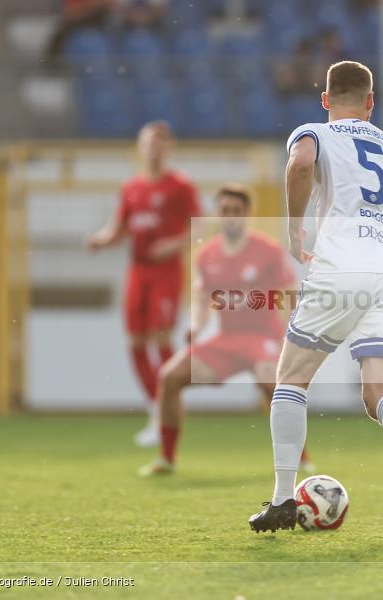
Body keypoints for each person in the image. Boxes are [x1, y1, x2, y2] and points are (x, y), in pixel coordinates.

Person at [247, 61, 383, 533]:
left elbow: (299, 165)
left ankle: (280, 500)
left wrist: (294, 229)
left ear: (326, 98)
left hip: (339, 268)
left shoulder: (312, 130)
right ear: (372, 102)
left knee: (291, 379)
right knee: (380, 392)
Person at [137, 185, 315, 476]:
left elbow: (288, 291)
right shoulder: (207, 256)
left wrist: (289, 333)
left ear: (247, 214)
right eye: (225, 211)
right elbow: (202, 299)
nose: (231, 217)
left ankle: (301, 457)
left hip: (263, 338)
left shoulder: (267, 250)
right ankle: (166, 458)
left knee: (273, 385)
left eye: (237, 211)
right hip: (228, 340)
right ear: (218, 214)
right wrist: (196, 326)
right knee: (170, 377)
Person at [87, 121, 200, 447]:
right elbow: (117, 230)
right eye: (148, 143)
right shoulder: (131, 188)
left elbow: (199, 226)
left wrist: (175, 244)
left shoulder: (180, 186)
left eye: (159, 143)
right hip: (137, 272)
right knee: (135, 343)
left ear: (169, 148)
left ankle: (167, 407)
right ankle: (156, 408)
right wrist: (100, 240)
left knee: (160, 338)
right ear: (139, 147)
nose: (153, 149)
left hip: (166, 272)